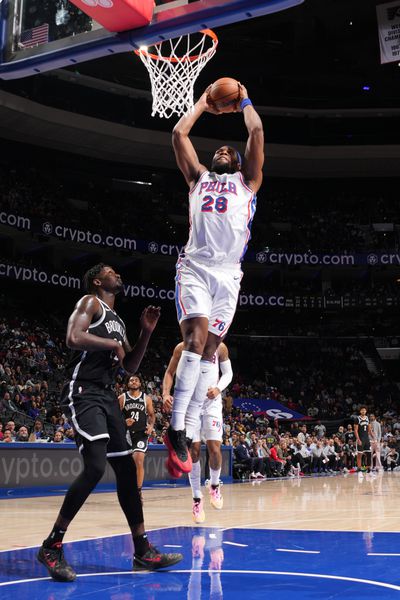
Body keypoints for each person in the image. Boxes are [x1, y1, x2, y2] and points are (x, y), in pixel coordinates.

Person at [37, 263, 182, 582]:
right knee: (94, 466)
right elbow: (73, 337)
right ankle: (52, 545)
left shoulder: (117, 320)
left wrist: (145, 333)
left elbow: (129, 367)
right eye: (112, 272)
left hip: (105, 394)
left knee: (128, 471)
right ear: (98, 280)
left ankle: (142, 550)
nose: (118, 275)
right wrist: (112, 345)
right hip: (83, 390)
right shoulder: (90, 302)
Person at [164, 83, 264, 476]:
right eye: (218, 150)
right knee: (195, 339)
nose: (221, 151)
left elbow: (255, 132)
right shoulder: (198, 179)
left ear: (238, 164)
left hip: (230, 275)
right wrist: (203, 104)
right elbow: (178, 134)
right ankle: (177, 431)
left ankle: (186, 433)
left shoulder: (248, 182)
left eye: (228, 151)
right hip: (196, 267)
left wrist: (245, 100)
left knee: (209, 353)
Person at [163, 341, 233, 523]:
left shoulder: (220, 347)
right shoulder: (181, 347)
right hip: (189, 405)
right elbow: (169, 373)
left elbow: (228, 373)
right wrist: (165, 394)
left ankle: (215, 485)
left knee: (215, 449)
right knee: (192, 451)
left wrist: (218, 388)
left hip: (211, 404)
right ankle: (196, 498)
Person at [118, 374, 155, 500]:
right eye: (131, 380)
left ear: (140, 384)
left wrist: (150, 426)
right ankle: (128, 489)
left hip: (141, 433)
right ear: (128, 384)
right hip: (126, 434)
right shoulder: (122, 398)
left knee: (139, 459)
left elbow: (151, 415)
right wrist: (123, 422)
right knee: (128, 465)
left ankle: (137, 492)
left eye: (136, 380)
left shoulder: (146, 398)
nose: (133, 382)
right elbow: (115, 417)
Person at [354, 406, 375, 477]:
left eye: (364, 410)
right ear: (360, 411)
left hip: (366, 439)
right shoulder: (357, 418)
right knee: (359, 455)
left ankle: (369, 471)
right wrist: (358, 439)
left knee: (369, 454)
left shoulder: (367, 418)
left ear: (366, 411)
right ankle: (359, 471)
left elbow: (369, 430)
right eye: (362, 410)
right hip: (360, 439)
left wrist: (374, 438)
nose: (363, 411)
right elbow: (356, 431)